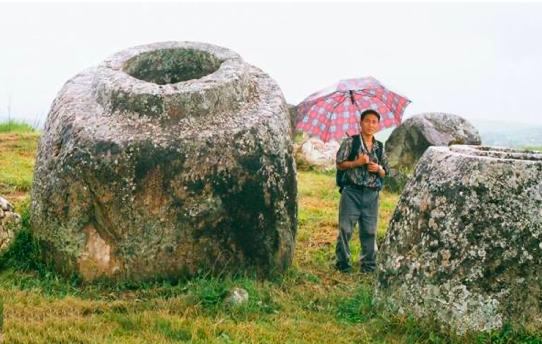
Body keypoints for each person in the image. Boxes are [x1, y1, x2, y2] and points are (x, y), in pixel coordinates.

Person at [335, 109, 389, 273]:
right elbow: (339, 164)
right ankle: (342, 263)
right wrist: (357, 162)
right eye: (367, 121)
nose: (370, 125)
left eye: (374, 122)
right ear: (361, 123)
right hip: (351, 192)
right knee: (345, 229)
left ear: (378, 125)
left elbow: (386, 171)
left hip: (372, 194)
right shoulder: (351, 142)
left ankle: (369, 265)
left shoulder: (379, 146)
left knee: (370, 231)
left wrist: (378, 168)